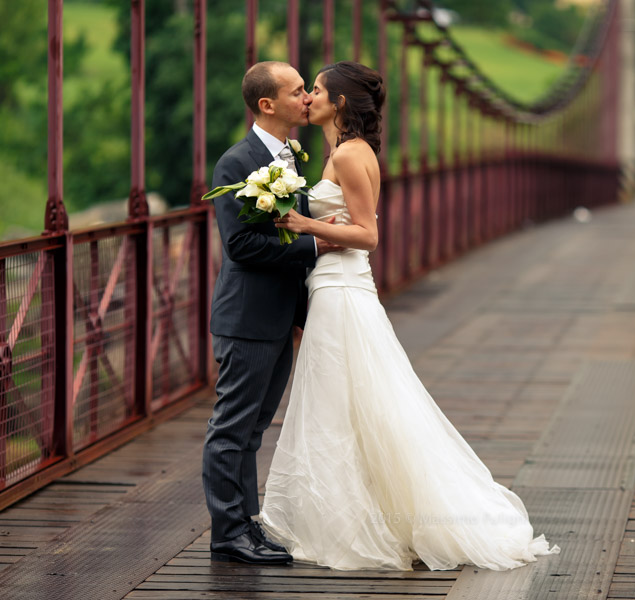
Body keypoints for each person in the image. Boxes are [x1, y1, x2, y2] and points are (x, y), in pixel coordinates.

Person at [260, 61, 560, 571]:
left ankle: (367, 521)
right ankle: (365, 513)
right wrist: (320, 232)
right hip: (333, 285)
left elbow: (368, 235)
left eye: (318, 90)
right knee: (354, 406)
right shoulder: (344, 152)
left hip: (342, 292)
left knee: (348, 404)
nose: (309, 96)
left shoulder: (351, 157)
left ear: (340, 104)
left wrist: (301, 222)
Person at [203, 61, 339, 565]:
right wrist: (315, 247)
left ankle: (247, 527)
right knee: (232, 428)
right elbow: (241, 246)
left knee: (253, 430)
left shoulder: (287, 157)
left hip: (278, 317)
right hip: (248, 318)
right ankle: (227, 534)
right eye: (298, 90)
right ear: (267, 104)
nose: (308, 96)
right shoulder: (237, 164)